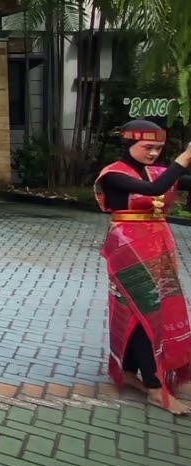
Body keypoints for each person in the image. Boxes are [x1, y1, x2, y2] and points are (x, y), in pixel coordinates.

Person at [93, 119, 191, 414]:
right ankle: (153, 386)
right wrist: (184, 158)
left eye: (158, 148)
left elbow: (172, 181)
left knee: (151, 309)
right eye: (147, 147)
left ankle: (132, 370)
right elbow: (153, 190)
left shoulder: (158, 171)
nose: (153, 153)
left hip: (158, 247)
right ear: (128, 144)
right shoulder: (113, 175)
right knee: (144, 307)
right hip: (127, 247)